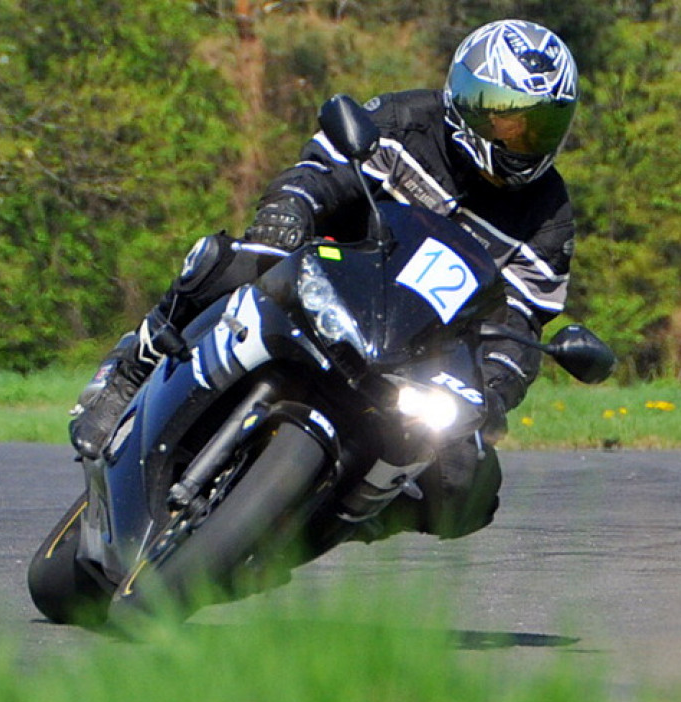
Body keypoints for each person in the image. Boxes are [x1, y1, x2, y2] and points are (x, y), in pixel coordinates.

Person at [69, 19, 580, 538]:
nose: (520, 139)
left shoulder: (550, 219)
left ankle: (335, 523)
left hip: (419, 352)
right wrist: (290, 209)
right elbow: (318, 171)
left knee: (470, 484)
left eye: (539, 125)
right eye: (507, 119)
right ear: (465, 98)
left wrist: (493, 390)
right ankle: (132, 370)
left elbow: (522, 323)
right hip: (331, 278)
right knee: (232, 260)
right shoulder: (405, 120)